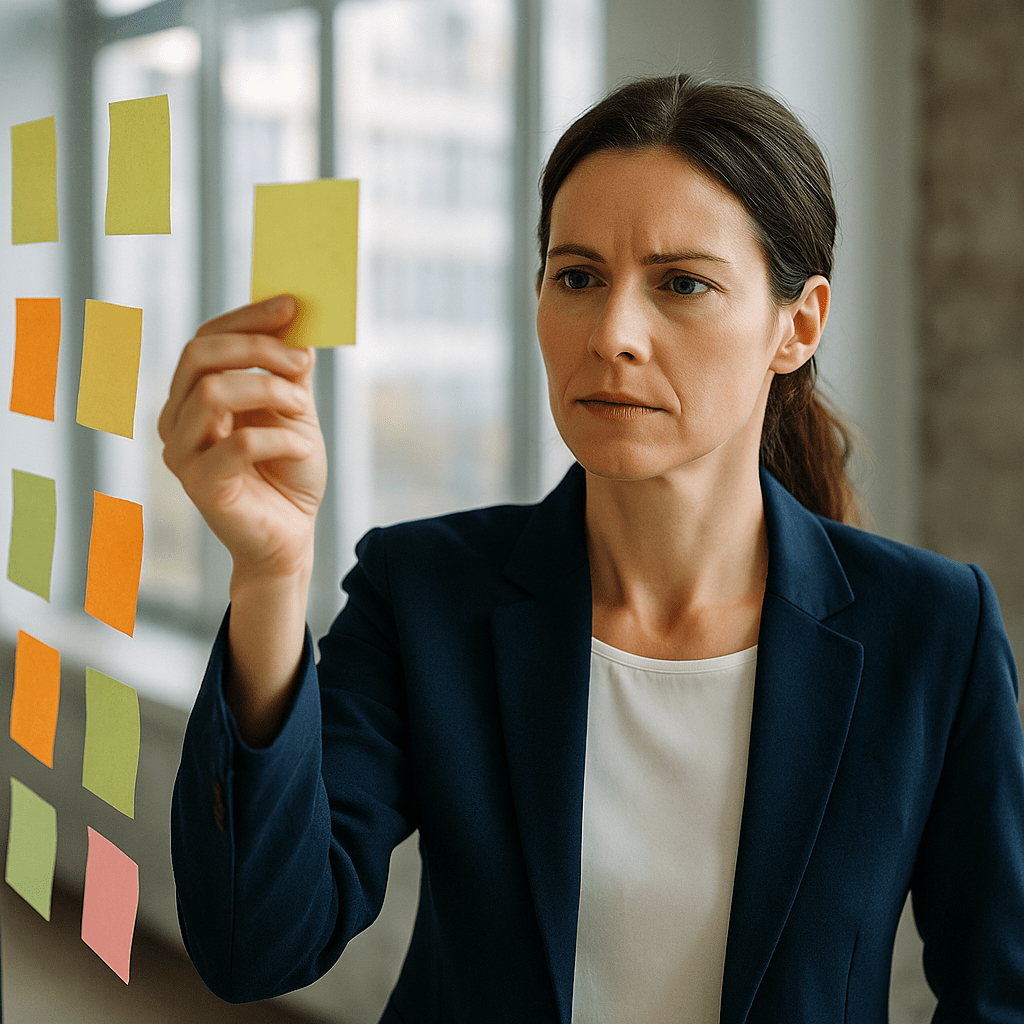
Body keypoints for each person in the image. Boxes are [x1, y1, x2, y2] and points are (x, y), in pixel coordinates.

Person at [163, 74, 1024, 1023]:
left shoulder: (935, 631)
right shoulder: (424, 595)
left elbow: (1001, 992)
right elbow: (255, 944)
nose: (613, 334)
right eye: (577, 277)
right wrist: (269, 573)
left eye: (682, 283)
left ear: (798, 324)